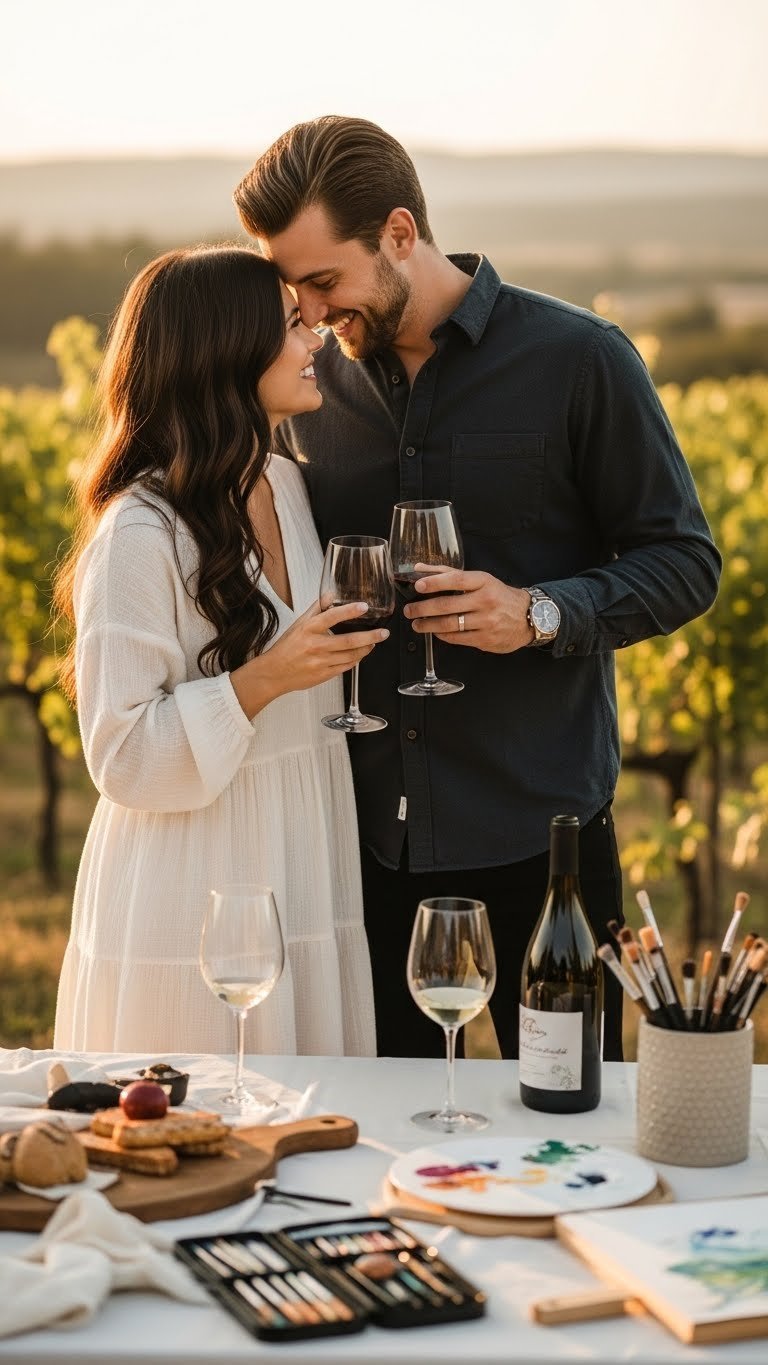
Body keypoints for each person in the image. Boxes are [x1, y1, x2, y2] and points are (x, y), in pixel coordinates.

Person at [233, 117, 722, 1062]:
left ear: (402, 234)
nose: (310, 309)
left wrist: (538, 613)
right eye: (292, 289)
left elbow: (684, 560)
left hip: (544, 838)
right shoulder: (307, 390)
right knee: (402, 1141)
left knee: (567, 1121)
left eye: (324, 281)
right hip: (373, 847)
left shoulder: (581, 359)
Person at [52, 245, 387, 1055]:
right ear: (226, 353)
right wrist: (266, 679)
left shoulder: (287, 483)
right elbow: (123, 755)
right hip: (195, 877)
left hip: (302, 850)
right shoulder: (140, 531)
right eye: (289, 325)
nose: (315, 338)